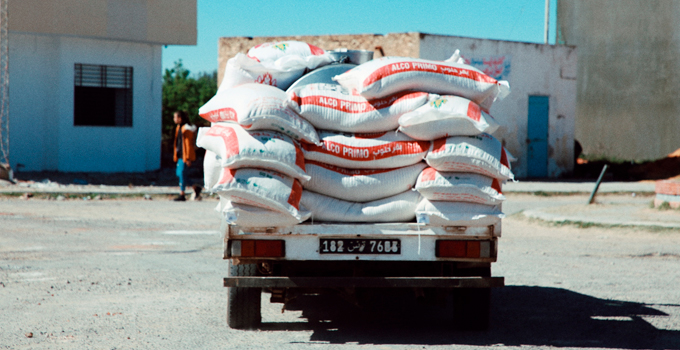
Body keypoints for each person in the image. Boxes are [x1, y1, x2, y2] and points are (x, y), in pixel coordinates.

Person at [172, 111, 197, 201]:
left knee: (182, 173)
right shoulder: (178, 128)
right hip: (180, 156)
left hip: (185, 156)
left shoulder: (186, 129)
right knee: (180, 174)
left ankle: (182, 194)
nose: (174, 119)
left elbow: (187, 144)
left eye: (175, 117)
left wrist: (188, 158)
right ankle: (195, 187)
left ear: (180, 118)